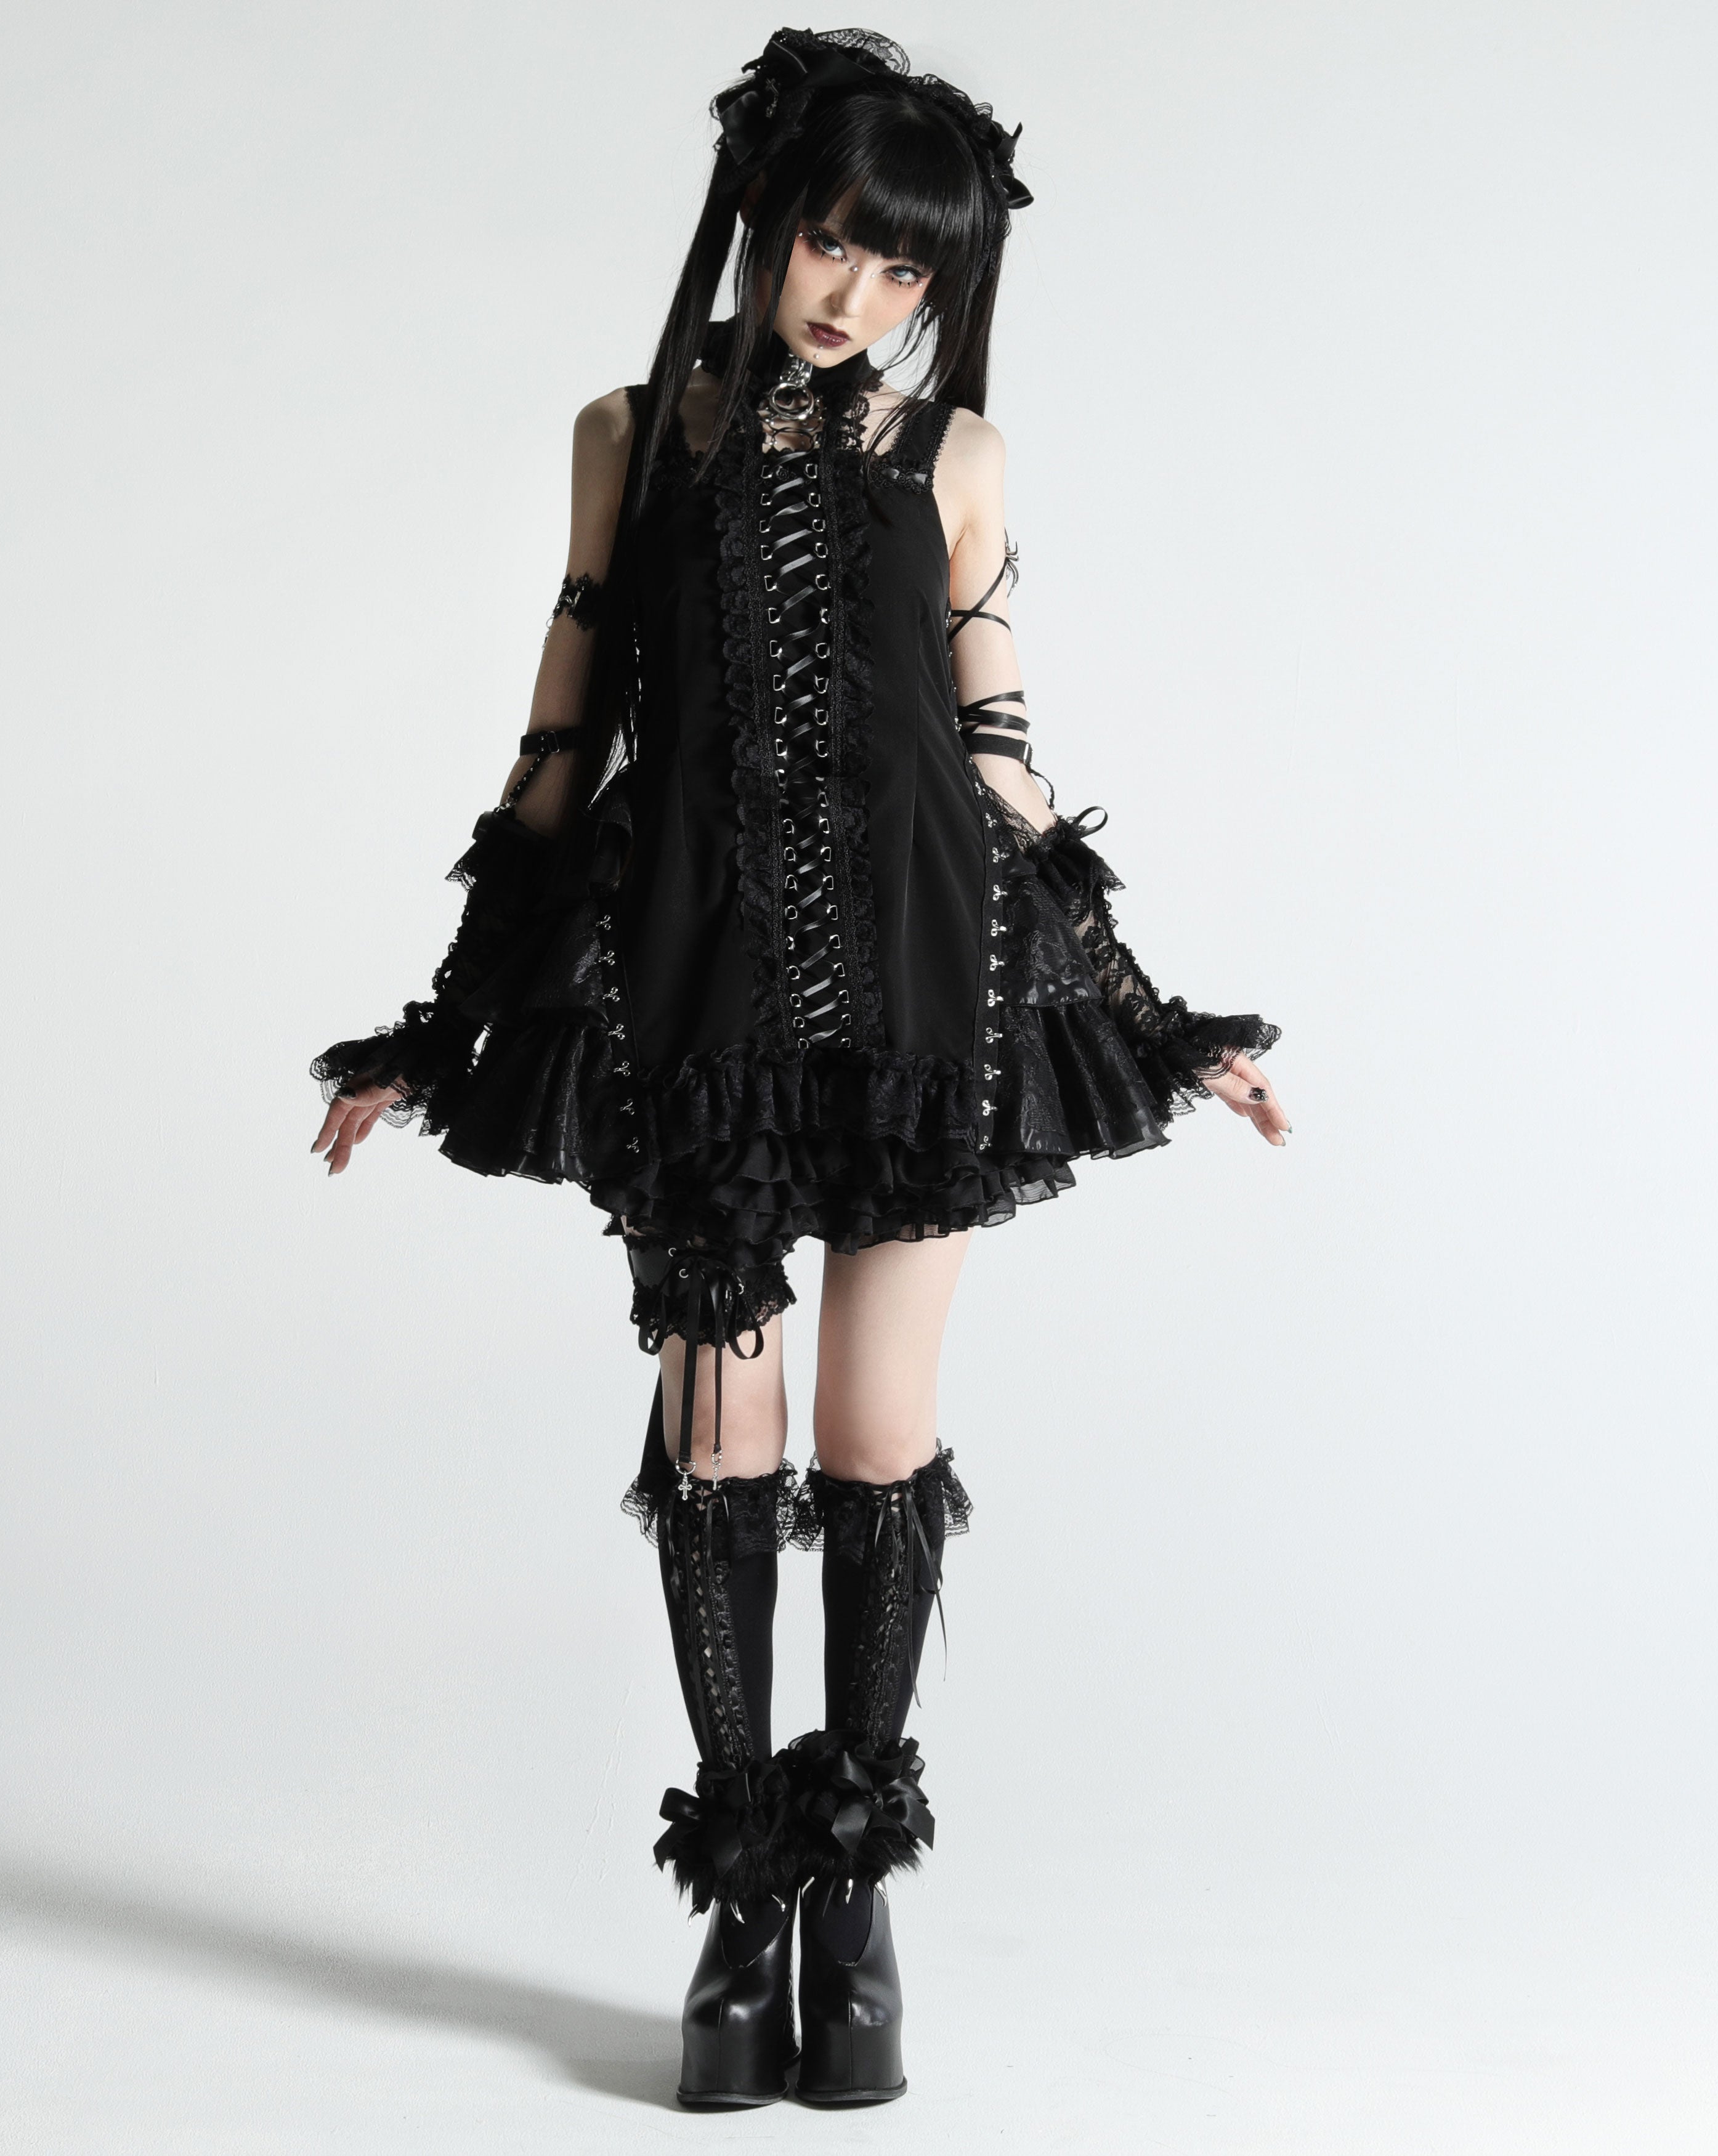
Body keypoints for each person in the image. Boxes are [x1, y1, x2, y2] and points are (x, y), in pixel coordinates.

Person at [309, 26, 1286, 2110]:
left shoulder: (958, 459)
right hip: (689, 1000)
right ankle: (739, 1898)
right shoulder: (630, 433)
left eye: (901, 266)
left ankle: (854, 1896)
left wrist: (1149, 1012)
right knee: (720, 1436)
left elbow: (1001, 762)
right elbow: (561, 737)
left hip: (931, 991)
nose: (855, 291)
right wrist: (443, 1013)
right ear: (766, 214)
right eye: (833, 239)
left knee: (872, 1430)